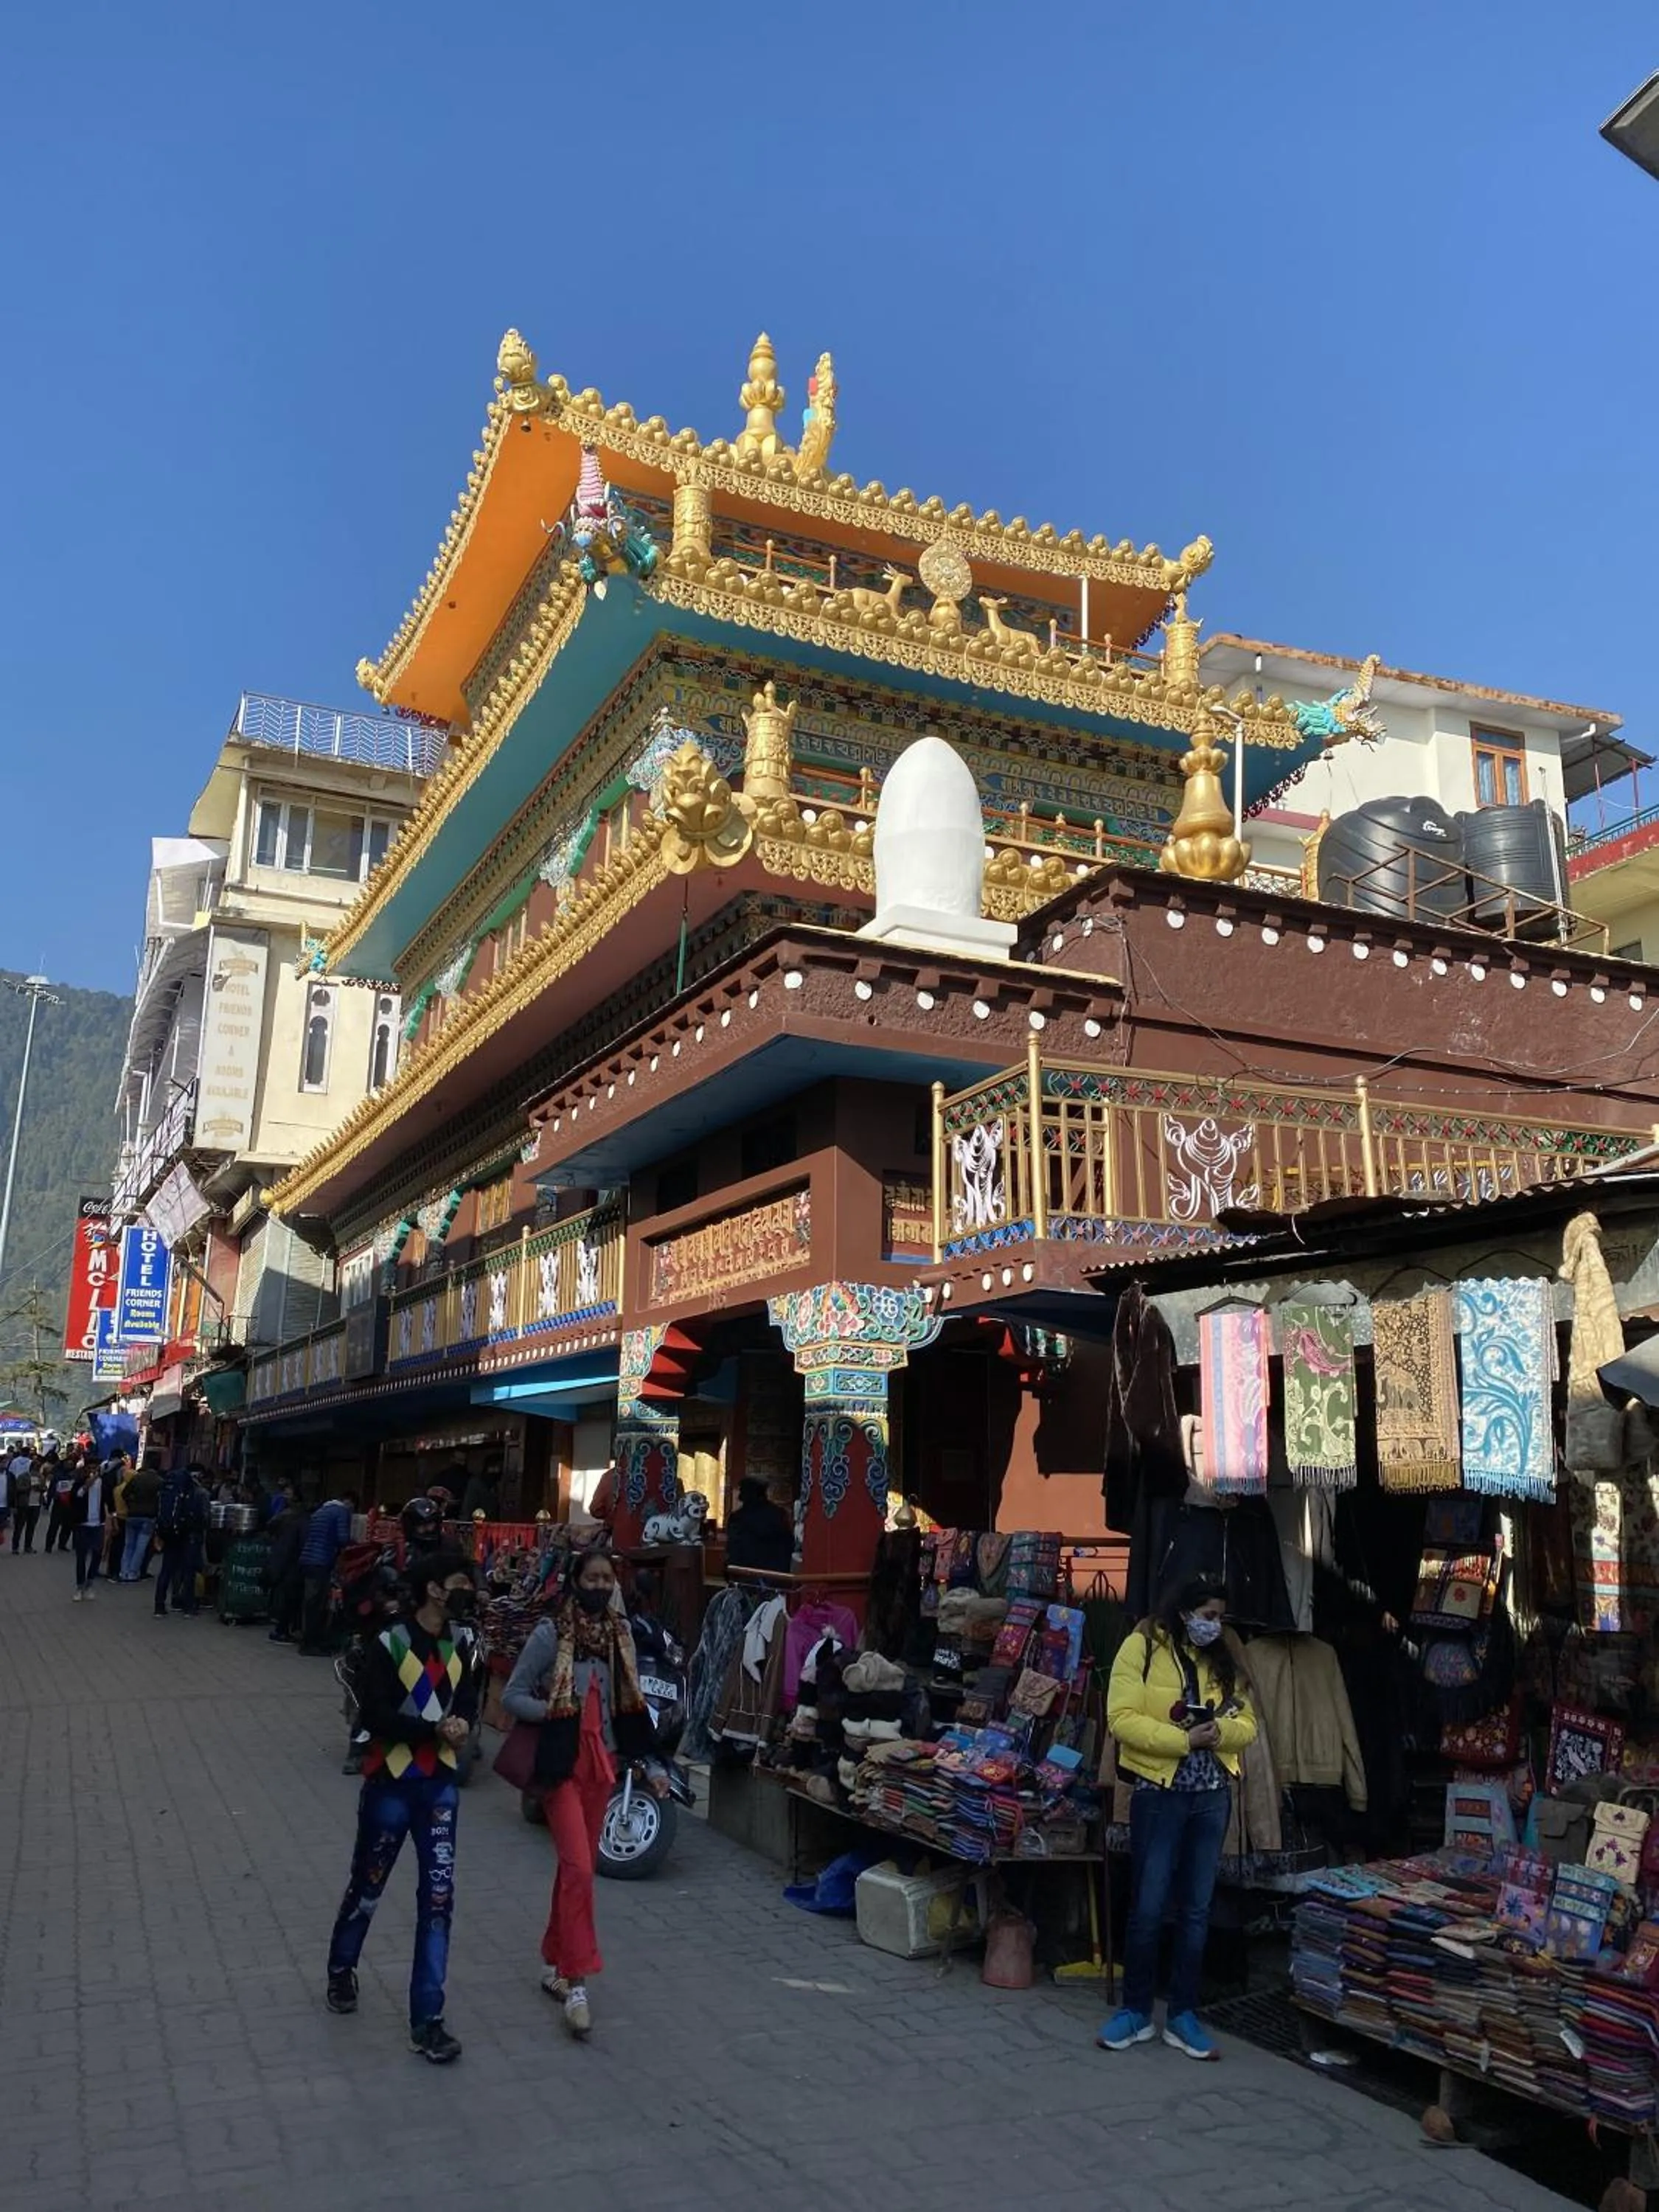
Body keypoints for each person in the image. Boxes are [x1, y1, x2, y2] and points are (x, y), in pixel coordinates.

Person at [502, 1542, 664, 2039]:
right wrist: (555, 1710)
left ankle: (553, 1960)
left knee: (576, 1870)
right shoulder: (552, 1634)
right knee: (578, 1869)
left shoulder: (619, 1635)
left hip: (603, 1765)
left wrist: (651, 1761)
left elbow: (630, 1702)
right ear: (575, 1582)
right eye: (591, 1579)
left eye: (606, 1580)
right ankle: (576, 1982)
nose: (599, 1587)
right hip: (560, 1766)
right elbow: (512, 1695)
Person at [324, 1545, 479, 2064]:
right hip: (390, 1784)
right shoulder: (390, 1643)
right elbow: (373, 1714)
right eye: (461, 1584)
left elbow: (467, 1700)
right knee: (368, 1886)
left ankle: (427, 2019)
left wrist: (461, 1724)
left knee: (438, 1900)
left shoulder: (462, 1644)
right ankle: (341, 1968)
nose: (468, 1593)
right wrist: (433, 1730)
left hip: (439, 1788)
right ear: (434, 1589)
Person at [1097, 1576, 1257, 2063]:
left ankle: (1184, 2014)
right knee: (1148, 1906)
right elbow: (1121, 1718)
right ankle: (1136, 2010)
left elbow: (1248, 1723)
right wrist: (1183, 1741)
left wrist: (1219, 1732)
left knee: (1196, 1909)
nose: (1215, 1625)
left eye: (1220, 1617)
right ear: (1185, 1612)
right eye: (1208, 1616)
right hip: (1158, 1793)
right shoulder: (1141, 1646)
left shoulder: (1223, 1657)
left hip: (1212, 1796)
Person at [297, 1489, 357, 1654]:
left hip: (308, 1559)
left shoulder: (320, 1511)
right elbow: (342, 1538)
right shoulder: (341, 1512)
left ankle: (307, 1640)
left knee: (309, 1603)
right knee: (317, 1604)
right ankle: (311, 1644)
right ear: (349, 1502)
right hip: (322, 1561)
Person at [153, 1463, 208, 1617]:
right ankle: (188, 1607)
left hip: (170, 1533)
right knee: (189, 1571)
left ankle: (159, 1606)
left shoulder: (170, 1486)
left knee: (167, 1570)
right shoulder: (197, 1491)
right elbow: (204, 1517)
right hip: (189, 1535)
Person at [265, 1492, 312, 1642]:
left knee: (285, 1596)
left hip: (283, 1561)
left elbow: (271, 1527)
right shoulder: (302, 1520)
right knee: (291, 1598)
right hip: (293, 1562)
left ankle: (282, 1628)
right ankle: (284, 1630)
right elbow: (302, 1542)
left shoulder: (286, 1516)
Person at [724, 1475, 795, 1574]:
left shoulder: (738, 1518)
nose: (740, 1495)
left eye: (743, 1491)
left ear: (750, 1493)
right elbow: (788, 1545)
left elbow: (734, 1548)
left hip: (747, 1573)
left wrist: (730, 1569)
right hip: (775, 1574)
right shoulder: (779, 1514)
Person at [70, 1459, 116, 1600]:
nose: (92, 1471)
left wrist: (113, 1520)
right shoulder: (80, 1482)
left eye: (95, 1468)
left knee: (97, 1555)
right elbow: (77, 1496)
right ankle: (79, 1587)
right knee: (81, 1557)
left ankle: (90, 1584)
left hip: (98, 1525)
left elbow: (110, 1502)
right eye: (90, 1468)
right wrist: (89, 1482)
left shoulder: (104, 1484)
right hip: (82, 1525)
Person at [119, 1450, 165, 1583]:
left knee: (129, 1545)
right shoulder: (160, 1481)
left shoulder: (137, 1478)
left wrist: (132, 1504)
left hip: (133, 1515)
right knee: (141, 1546)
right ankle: (133, 1573)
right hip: (149, 1517)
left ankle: (124, 1572)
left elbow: (125, 1494)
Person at [44, 1450, 78, 1553]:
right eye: (68, 1463)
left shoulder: (75, 1475)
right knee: (54, 1526)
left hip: (70, 1503)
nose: (69, 1465)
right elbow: (51, 1489)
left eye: (71, 1464)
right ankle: (49, 1546)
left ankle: (62, 1544)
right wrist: (49, 1502)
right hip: (58, 1502)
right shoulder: (57, 1474)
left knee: (67, 1526)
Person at [9, 1452, 42, 1553]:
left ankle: (28, 1546)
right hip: (24, 1504)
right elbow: (18, 1488)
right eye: (35, 1467)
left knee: (31, 1527)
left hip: (36, 1504)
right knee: (19, 1527)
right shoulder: (23, 1476)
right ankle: (15, 1547)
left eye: (38, 1467)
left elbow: (44, 1487)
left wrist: (41, 1488)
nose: (37, 1469)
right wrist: (29, 1488)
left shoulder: (40, 1477)